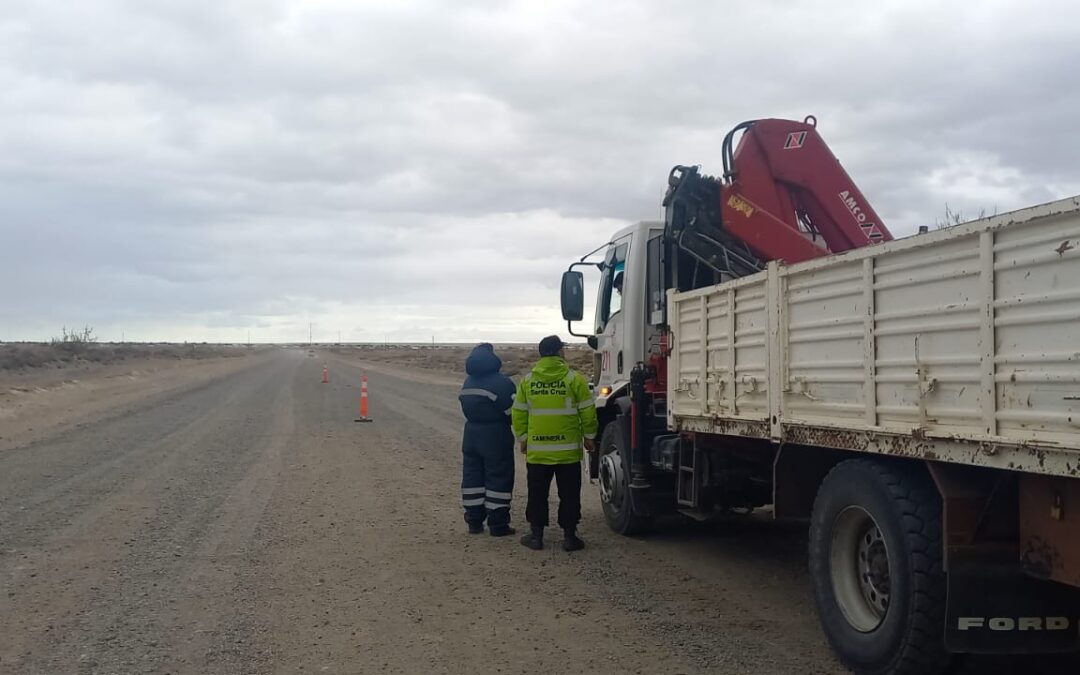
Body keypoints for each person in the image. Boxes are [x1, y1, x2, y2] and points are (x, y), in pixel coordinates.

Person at [512, 335, 597, 551]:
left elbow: (519, 413)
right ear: (559, 352)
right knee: (569, 494)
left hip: (538, 452)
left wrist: (523, 439)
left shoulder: (528, 381)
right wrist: (589, 437)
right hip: (567, 453)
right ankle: (569, 537)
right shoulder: (574, 379)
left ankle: (536, 536)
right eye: (563, 349)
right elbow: (588, 411)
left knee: (537, 493)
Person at [458, 343, 517, 536]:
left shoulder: (468, 382)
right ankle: (498, 524)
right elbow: (512, 412)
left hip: (471, 433)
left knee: (472, 476)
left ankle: (474, 521)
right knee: (498, 476)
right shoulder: (501, 383)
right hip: (496, 435)